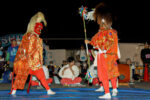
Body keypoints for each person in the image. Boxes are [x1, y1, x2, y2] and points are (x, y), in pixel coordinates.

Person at [10, 12, 55, 95]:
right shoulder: (31, 36)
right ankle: (14, 91)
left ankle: (48, 90)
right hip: (31, 62)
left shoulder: (29, 36)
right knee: (22, 76)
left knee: (39, 76)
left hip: (29, 62)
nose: (40, 30)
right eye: (39, 28)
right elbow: (30, 50)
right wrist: (35, 61)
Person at [85, 3, 120, 99]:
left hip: (104, 56)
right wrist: (91, 42)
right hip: (111, 56)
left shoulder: (103, 33)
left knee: (104, 74)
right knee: (112, 73)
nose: (98, 22)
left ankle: (107, 93)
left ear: (102, 20)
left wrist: (89, 42)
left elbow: (100, 43)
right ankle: (114, 89)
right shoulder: (113, 32)